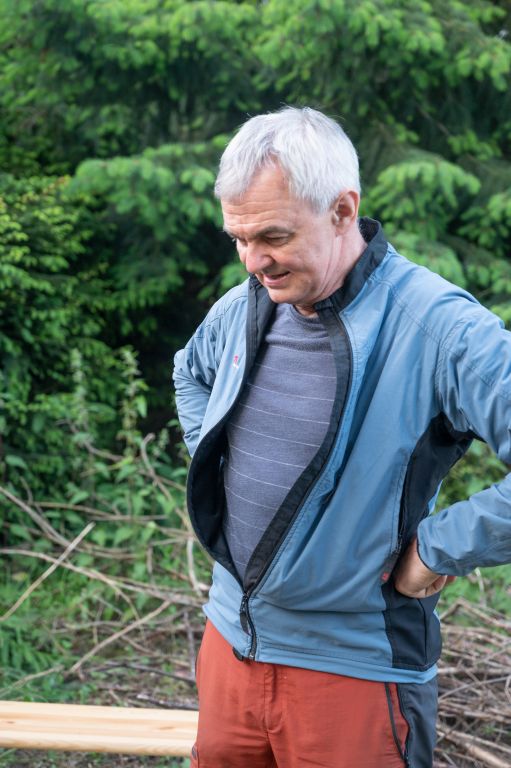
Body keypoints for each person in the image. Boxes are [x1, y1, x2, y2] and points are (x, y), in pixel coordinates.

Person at [173, 107, 511, 768]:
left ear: (341, 210)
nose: (253, 261)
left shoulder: (437, 327)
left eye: (273, 236)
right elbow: (190, 371)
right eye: (239, 238)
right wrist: (216, 464)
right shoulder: (243, 307)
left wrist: (440, 548)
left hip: (353, 669)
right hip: (229, 645)